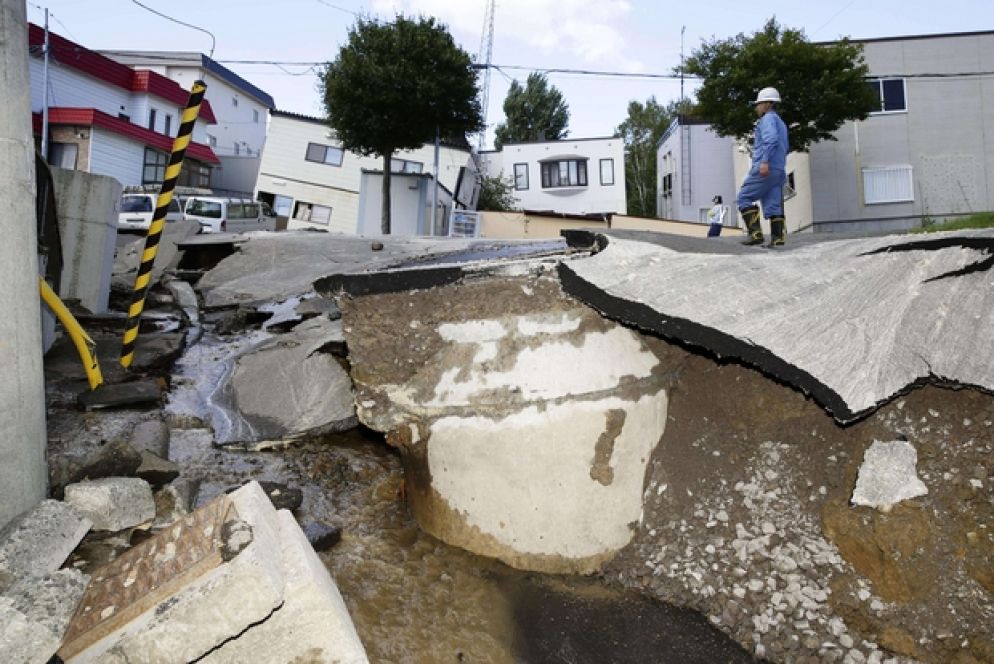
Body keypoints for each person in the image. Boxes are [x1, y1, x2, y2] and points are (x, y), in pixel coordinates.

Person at [736, 86, 789, 247]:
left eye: (758, 104)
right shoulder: (781, 122)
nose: (756, 108)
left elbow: (771, 140)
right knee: (773, 204)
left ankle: (756, 234)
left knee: (744, 197)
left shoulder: (767, 120)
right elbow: (784, 146)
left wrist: (764, 161)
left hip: (766, 168)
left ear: (767, 104)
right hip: (779, 169)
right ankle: (778, 238)